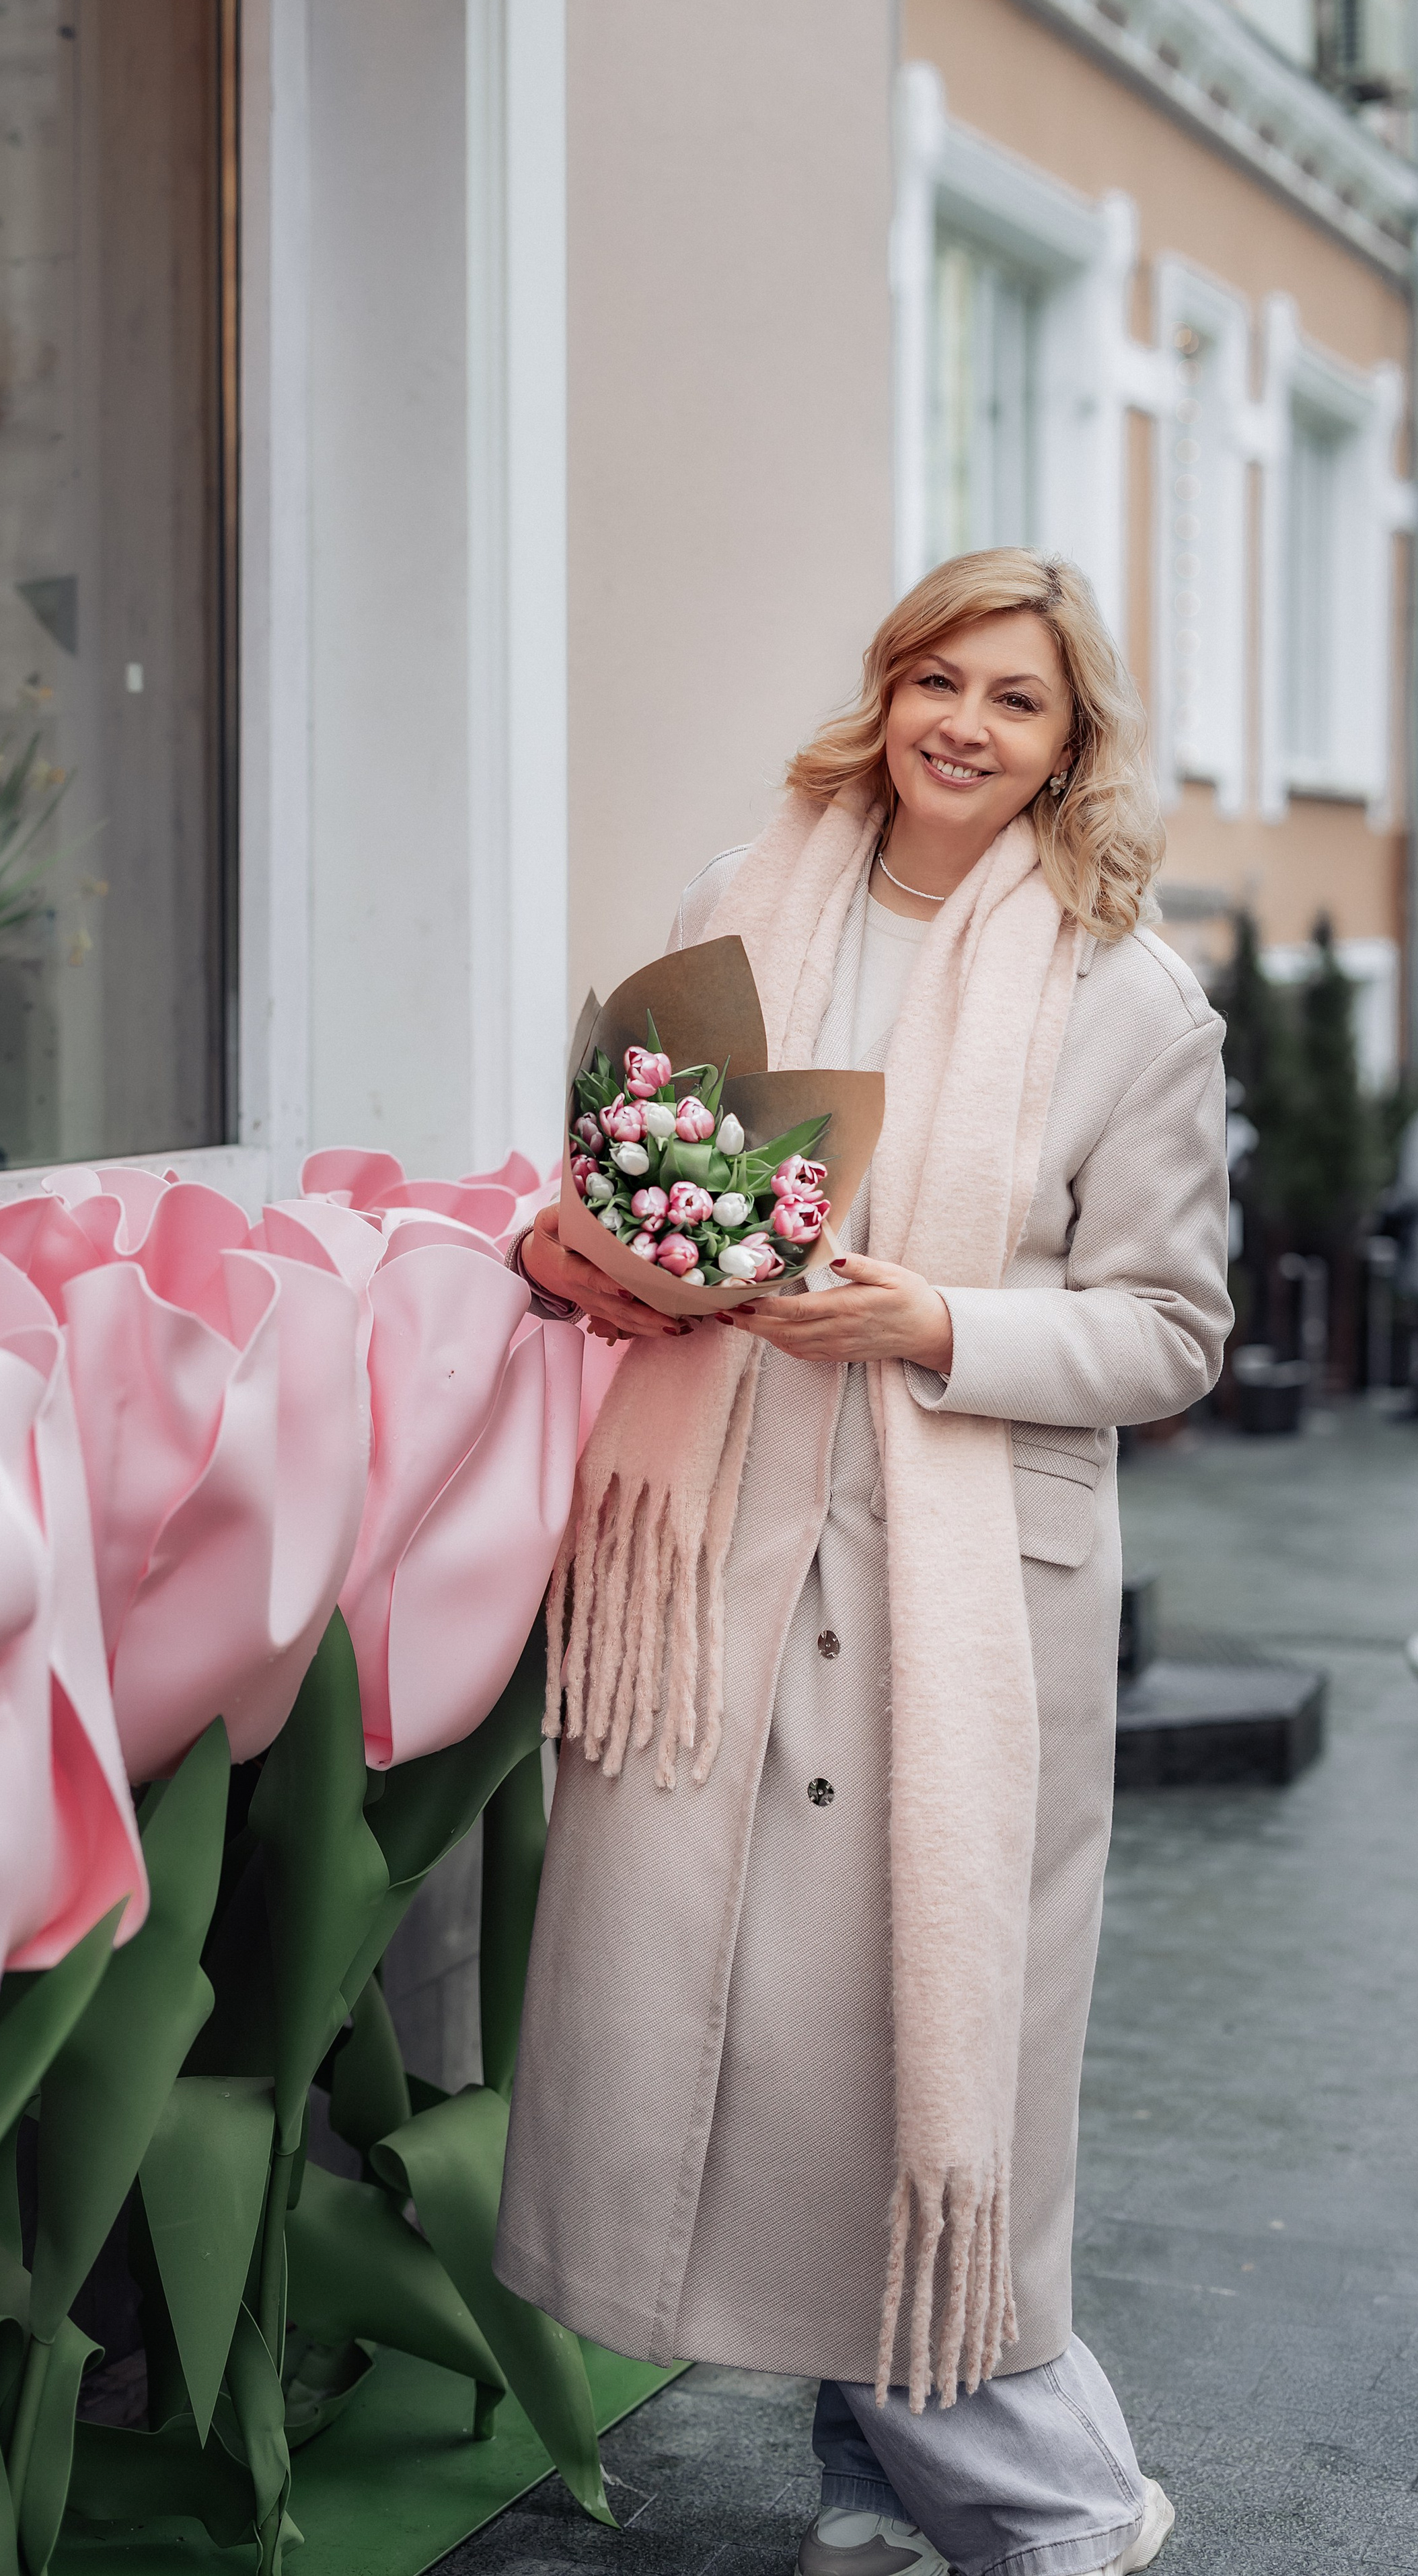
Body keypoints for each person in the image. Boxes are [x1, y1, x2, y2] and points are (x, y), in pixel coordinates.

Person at [496, 550, 1232, 2576]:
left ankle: (1061, 2505)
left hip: (962, 1577)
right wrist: (595, 1262)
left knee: (922, 2045)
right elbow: (640, 1186)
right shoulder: (740, 911)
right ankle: (873, 2475)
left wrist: (937, 1322)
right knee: (768, 2034)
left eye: (1017, 698)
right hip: (721, 1545)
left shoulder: (1129, 995)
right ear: (885, 689)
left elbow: (1173, 1328)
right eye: (936, 675)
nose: (964, 723)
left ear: (1071, 745)